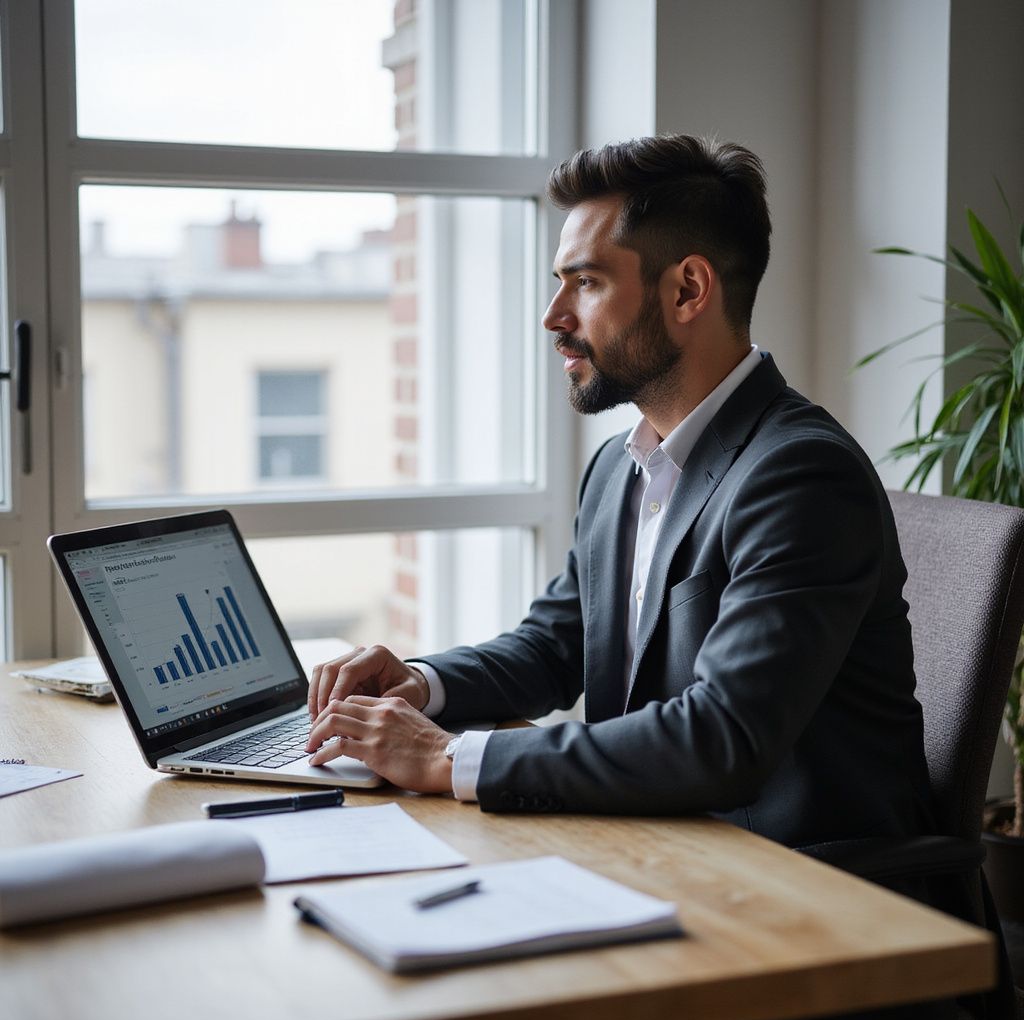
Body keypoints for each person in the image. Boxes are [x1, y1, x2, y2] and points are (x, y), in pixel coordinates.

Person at [304, 134, 935, 850]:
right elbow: (556, 645)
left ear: (688, 289)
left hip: (811, 888)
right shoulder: (618, 467)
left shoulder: (801, 477)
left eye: (588, 282)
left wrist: (446, 757)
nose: (554, 316)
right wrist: (420, 684)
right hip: (659, 845)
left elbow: (723, 736)